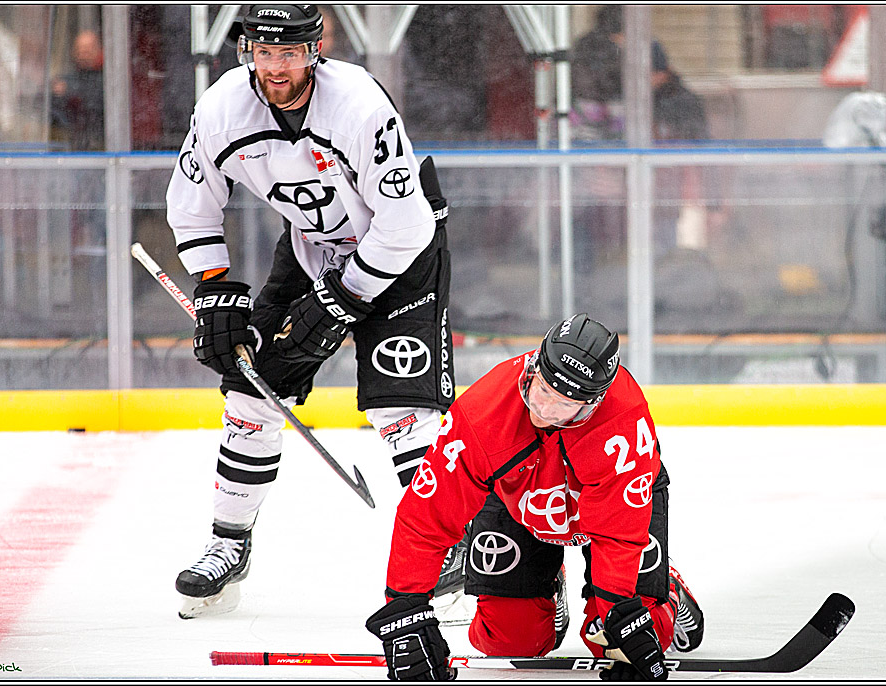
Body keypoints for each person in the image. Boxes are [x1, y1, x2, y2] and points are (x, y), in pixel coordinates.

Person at [165, 4, 456, 619]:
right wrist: (214, 287)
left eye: (289, 53)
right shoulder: (221, 109)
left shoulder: (356, 104)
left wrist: (346, 296)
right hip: (311, 246)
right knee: (251, 385)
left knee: (402, 405)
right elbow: (191, 204)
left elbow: (405, 226)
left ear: (314, 51)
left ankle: (446, 550)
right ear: (247, 51)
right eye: (264, 52)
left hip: (399, 252)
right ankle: (229, 544)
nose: (276, 67)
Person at [366, 314, 705, 681]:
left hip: (613, 511)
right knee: (508, 641)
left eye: (563, 404)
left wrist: (620, 608)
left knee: (632, 637)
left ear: (593, 403)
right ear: (534, 367)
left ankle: (667, 589)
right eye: (541, 390)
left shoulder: (622, 421)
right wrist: (406, 606)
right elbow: (427, 513)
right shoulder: (484, 410)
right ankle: (547, 581)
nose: (543, 410)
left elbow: (617, 533)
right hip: (518, 504)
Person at [50, 30, 105, 151]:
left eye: (88, 48)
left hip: (100, 143)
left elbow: (96, 101)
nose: (83, 53)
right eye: (80, 49)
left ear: (99, 50)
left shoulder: (107, 79)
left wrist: (69, 90)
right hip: (72, 143)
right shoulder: (68, 78)